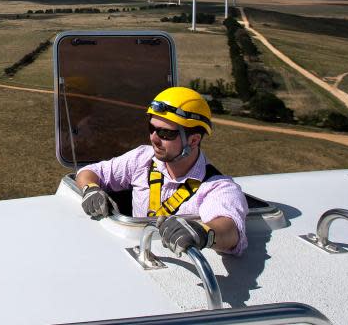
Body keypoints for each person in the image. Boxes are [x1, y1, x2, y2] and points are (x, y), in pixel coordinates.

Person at [75, 86, 248, 256]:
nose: (154, 138)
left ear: (194, 140)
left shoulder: (216, 187)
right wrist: (90, 188)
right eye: (152, 128)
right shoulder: (142, 158)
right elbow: (91, 171)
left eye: (166, 133)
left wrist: (203, 233)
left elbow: (231, 231)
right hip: (134, 255)